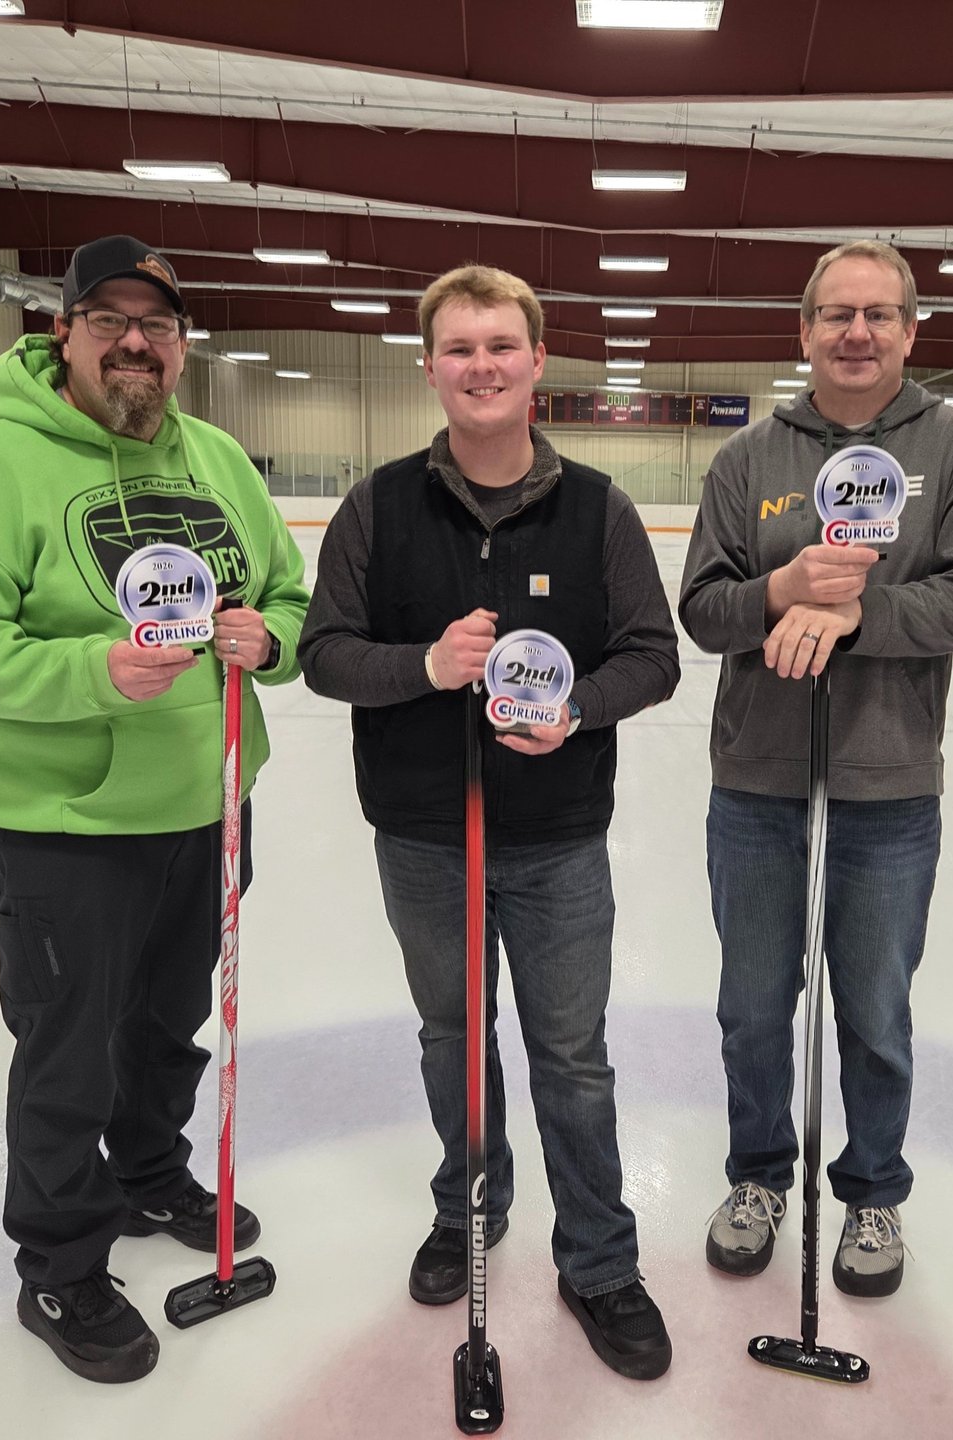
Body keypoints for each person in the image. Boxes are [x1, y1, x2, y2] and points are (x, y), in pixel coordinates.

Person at [0, 235, 310, 1384]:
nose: (137, 341)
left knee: (168, 1025)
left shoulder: (220, 458)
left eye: (159, 324)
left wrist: (267, 636)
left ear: (181, 346)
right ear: (63, 333)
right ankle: (62, 1263)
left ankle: (147, 1170)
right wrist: (90, 674)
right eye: (111, 319)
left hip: (208, 806)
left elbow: (285, 590)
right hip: (65, 826)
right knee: (67, 1046)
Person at [299, 265, 680, 1380]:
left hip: (558, 835)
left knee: (573, 1055)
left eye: (501, 346)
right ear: (430, 368)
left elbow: (654, 656)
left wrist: (578, 710)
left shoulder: (599, 507)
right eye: (459, 348)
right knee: (452, 1040)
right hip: (424, 833)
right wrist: (422, 665)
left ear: (535, 363)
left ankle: (601, 1262)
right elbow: (323, 653)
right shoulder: (378, 504)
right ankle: (471, 1202)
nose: (481, 366)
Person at [679, 240, 953, 1298]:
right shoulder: (748, 462)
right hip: (758, 781)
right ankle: (758, 1177)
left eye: (878, 314)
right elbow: (700, 610)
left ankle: (873, 1190)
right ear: (805, 331)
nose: (856, 333)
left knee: (874, 1008)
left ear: (912, 329)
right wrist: (779, 591)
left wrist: (856, 613)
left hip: (890, 781)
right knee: (752, 1004)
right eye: (836, 315)